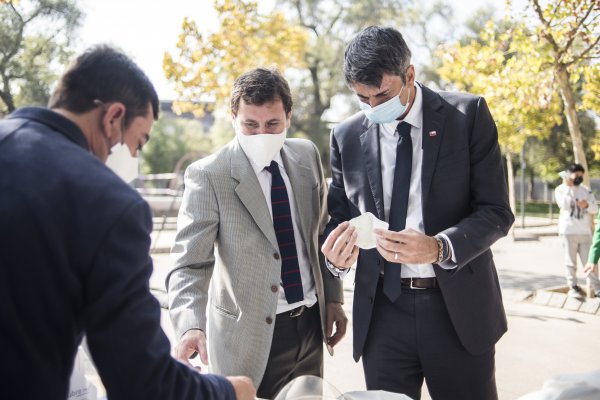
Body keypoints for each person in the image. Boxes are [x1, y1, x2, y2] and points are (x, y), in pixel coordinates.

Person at [0, 45, 255, 400]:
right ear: (113, 117)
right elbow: (142, 382)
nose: (133, 158)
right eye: (138, 143)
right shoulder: (105, 202)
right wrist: (229, 391)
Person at [320, 26, 514, 400]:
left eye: (383, 95)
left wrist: (439, 248)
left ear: (410, 75)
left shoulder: (467, 115)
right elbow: (338, 219)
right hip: (382, 318)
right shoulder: (345, 136)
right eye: (363, 98)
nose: (374, 108)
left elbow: (496, 211)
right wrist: (337, 260)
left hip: (457, 312)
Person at [167, 67, 347, 399]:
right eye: (250, 125)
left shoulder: (307, 156)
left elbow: (320, 233)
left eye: (272, 124)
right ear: (233, 116)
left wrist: (333, 297)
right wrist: (190, 324)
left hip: (309, 327)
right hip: (246, 340)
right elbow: (189, 265)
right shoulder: (209, 175)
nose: (261, 133)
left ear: (289, 117)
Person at [554, 163, 600, 299]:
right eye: (576, 175)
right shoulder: (561, 190)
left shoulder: (586, 190)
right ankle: (573, 286)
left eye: (581, 175)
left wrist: (586, 205)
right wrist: (568, 188)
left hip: (585, 232)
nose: (579, 177)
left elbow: (595, 210)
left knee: (590, 262)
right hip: (568, 231)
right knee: (570, 261)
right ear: (569, 174)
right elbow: (563, 204)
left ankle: (596, 288)